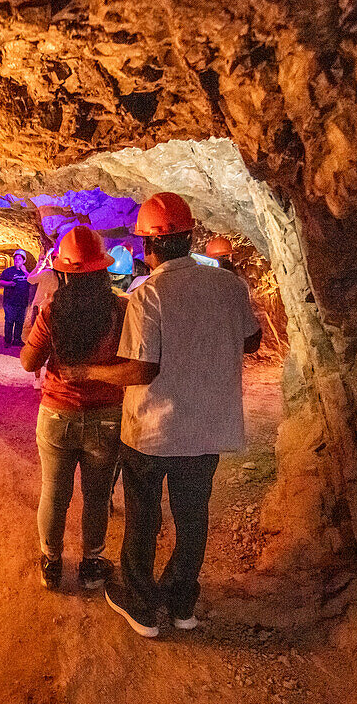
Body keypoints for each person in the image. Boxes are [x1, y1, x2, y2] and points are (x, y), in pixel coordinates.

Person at [64, 192, 262, 638]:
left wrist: (89, 370)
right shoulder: (229, 286)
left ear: (148, 248)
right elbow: (250, 342)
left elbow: (142, 368)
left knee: (144, 517)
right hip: (208, 428)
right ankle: (180, 603)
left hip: (154, 431)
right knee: (193, 519)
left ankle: (141, 604)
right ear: (190, 237)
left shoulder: (147, 295)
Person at [20, 226, 128, 591]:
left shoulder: (52, 312)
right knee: (97, 495)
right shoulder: (121, 309)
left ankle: (51, 563)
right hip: (108, 415)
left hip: (57, 413)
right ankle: (91, 564)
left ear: (64, 271)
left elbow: (28, 363)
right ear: (102, 269)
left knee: (54, 490)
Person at [24, 247, 60, 388]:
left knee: (37, 343)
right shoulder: (63, 276)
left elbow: (30, 279)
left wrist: (38, 267)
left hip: (39, 309)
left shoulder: (46, 274)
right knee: (53, 345)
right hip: (55, 311)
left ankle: (37, 380)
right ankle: (50, 378)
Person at [0, 249, 31, 347]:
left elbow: (32, 281)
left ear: (24, 261)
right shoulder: (8, 271)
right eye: (16, 258)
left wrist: (25, 271)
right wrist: (9, 283)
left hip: (22, 302)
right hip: (10, 301)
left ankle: (17, 339)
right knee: (9, 321)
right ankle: (8, 340)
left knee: (20, 321)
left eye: (20, 259)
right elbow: (0, 282)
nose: (17, 260)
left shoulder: (27, 272)